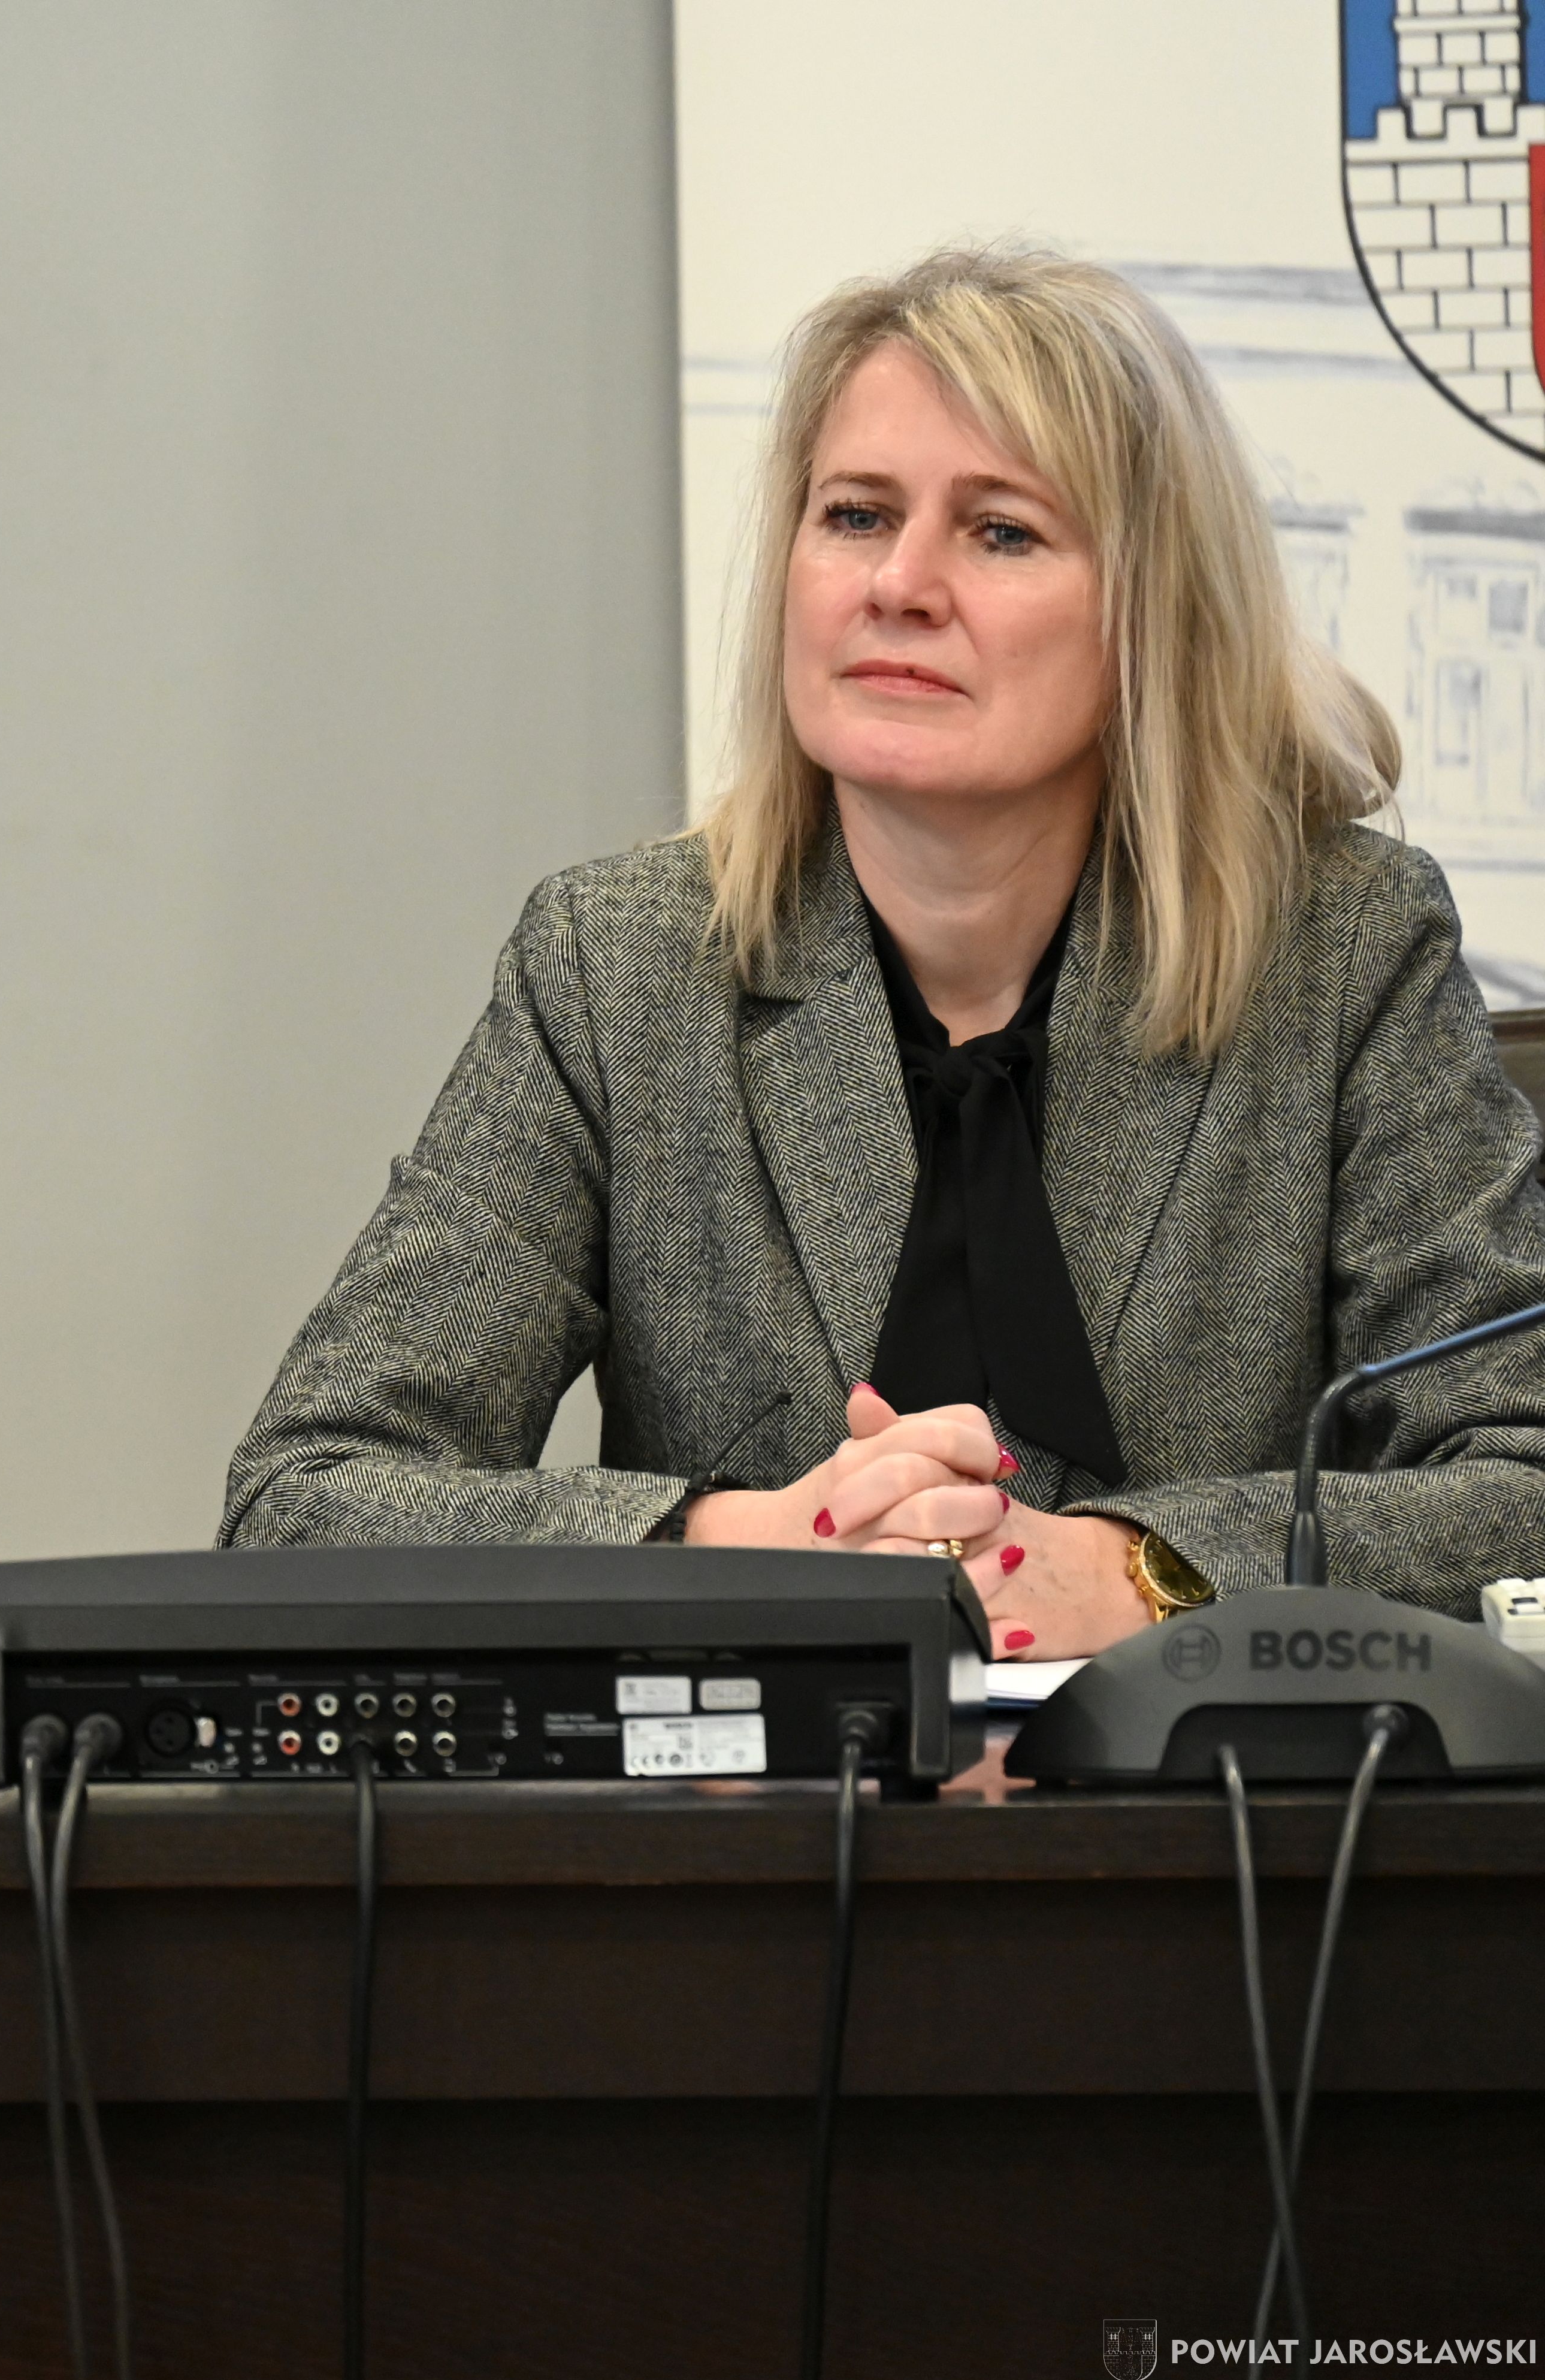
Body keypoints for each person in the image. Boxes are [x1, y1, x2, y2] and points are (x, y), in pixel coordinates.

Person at [222, 246, 1545, 1656]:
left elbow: (1522, 1478)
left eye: (1002, 532)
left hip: (1203, 1791)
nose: (901, 583)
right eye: (856, 515)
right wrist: (744, 1545)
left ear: (1153, 612)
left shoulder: (1342, 953)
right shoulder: (618, 971)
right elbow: (305, 1498)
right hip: (775, 1793)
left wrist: (1150, 1569)